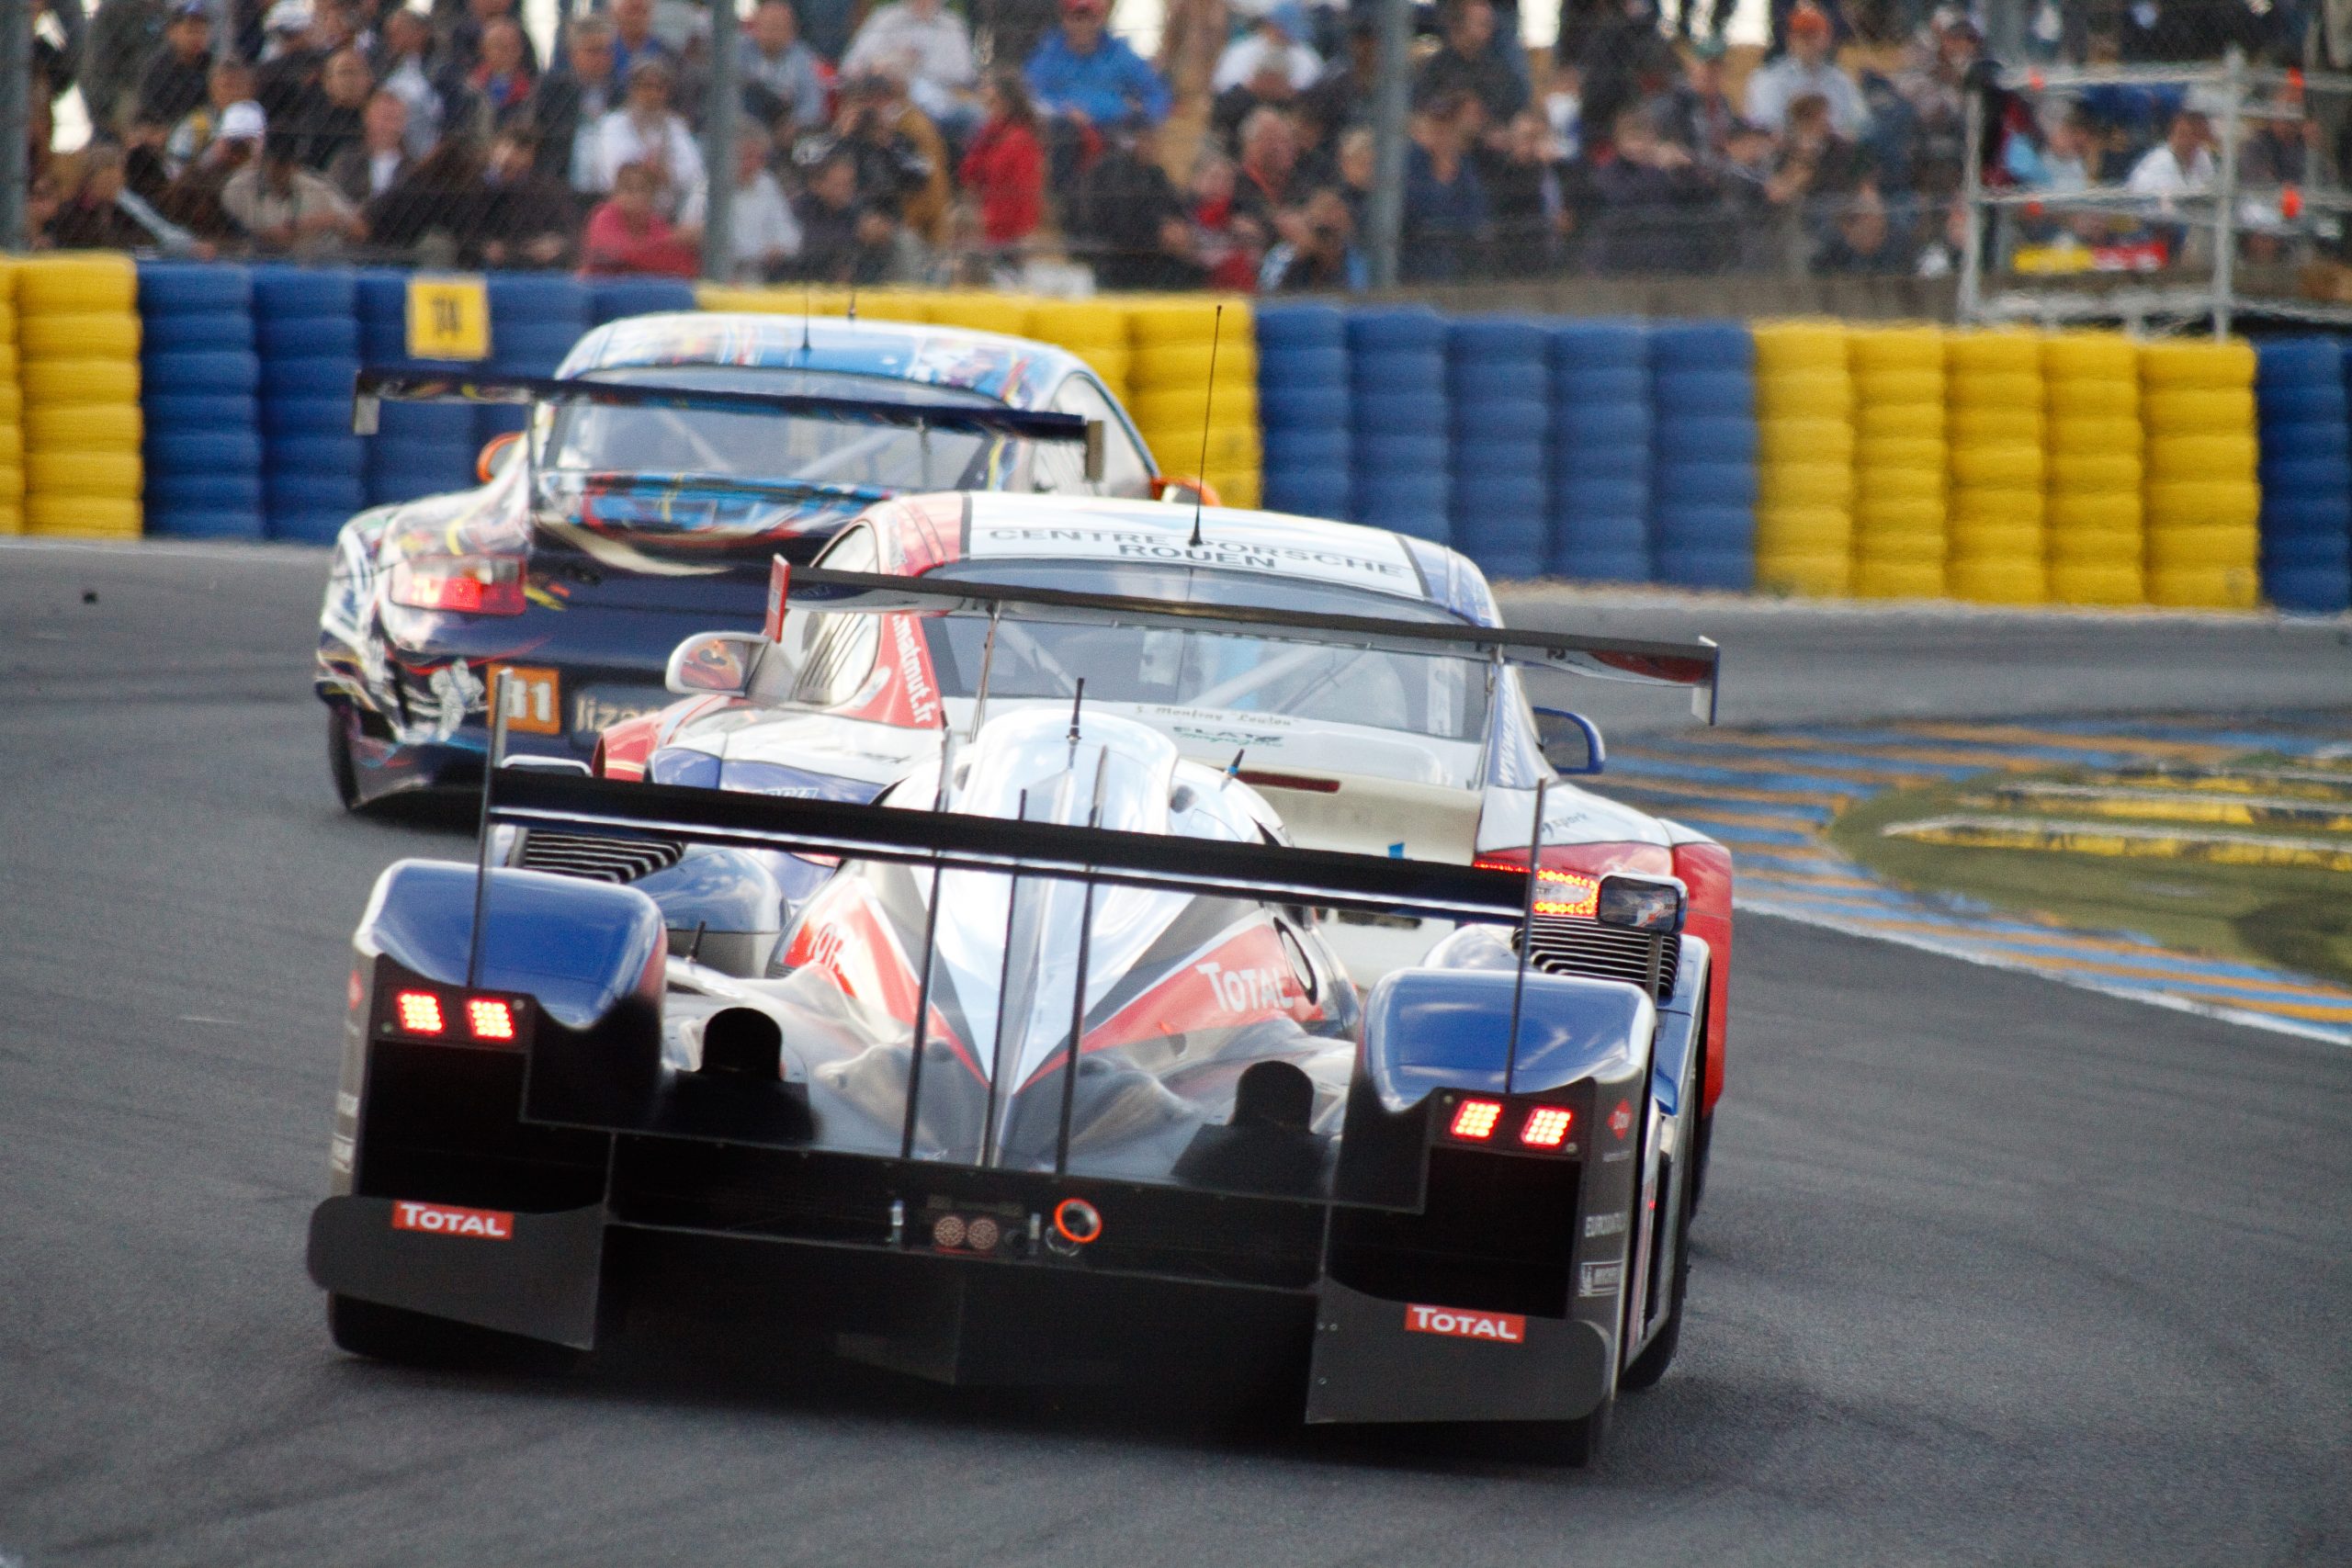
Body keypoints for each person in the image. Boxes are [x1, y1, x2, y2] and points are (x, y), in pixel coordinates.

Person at [1027, 0, 1171, 191]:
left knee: (1132, 148)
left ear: (1100, 20)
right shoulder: (1050, 53)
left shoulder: (1119, 53)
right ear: (1064, 19)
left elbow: (1156, 92)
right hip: (1068, 131)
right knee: (1064, 133)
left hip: (1116, 128)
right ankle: (1065, 200)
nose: (1083, 26)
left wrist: (1147, 115)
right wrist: (1063, 110)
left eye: (1091, 18)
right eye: (1076, 18)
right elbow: (1031, 93)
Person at [1069, 123, 1204, 288]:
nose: (1151, 146)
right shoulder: (1113, 171)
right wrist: (1159, 234)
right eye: (1145, 139)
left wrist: (1178, 228)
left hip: (1154, 253)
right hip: (1119, 255)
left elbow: (1174, 206)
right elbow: (1117, 221)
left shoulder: (1155, 173)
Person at [843, 0, 979, 138]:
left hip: (944, 99)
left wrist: (920, 65)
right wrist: (893, 62)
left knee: (977, 117)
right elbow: (851, 65)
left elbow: (965, 73)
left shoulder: (952, 24)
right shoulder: (886, 19)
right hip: (892, 97)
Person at [680, 129, 800, 281]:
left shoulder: (767, 184)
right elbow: (687, 231)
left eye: (759, 158)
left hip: (762, 274)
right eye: (746, 157)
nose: (752, 164)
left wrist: (777, 249)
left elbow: (790, 236)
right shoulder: (706, 185)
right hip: (717, 274)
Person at [223, 130, 368, 257]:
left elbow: (359, 230)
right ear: (261, 160)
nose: (278, 171)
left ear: (295, 165)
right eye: (273, 162)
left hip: (309, 267)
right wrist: (296, 227)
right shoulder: (238, 188)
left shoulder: (315, 187)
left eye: (285, 164)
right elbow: (274, 238)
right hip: (255, 263)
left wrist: (330, 220)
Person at [591, 58, 707, 214]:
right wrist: (656, 173)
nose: (653, 94)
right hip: (625, 211)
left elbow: (693, 172)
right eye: (646, 87)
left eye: (659, 88)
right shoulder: (614, 123)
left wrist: (661, 172)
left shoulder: (675, 125)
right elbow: (614, 172)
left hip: (672, 211)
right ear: (633, 90)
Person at [1744, 3, 1868, 139]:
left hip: (1834, 151)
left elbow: (1861, 123)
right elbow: (1765, 125)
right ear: (1790, 39)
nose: (1807, 43)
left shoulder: (1840, 80)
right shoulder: (1769, 77)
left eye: (1814, 36)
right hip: (1785, 152)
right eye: (1802, 36)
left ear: (1826, 39)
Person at [1400, 94, 1489, 281]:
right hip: (1415, 262)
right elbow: (1412, 211)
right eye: (1435, 124)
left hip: (1459, 263)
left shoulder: (1464, 165)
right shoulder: (1411, 163)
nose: (1441, 131)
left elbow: (1475, 215)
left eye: (1448, 125)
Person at [526, 15, 619, 187]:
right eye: (593, 51)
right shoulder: (552, 90)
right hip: (560, 182)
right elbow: (534, 132)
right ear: (573, 55)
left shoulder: (621, 93)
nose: (601, 58)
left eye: (606, 51)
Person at [957, 71, 1045, 254]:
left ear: (1007, 103)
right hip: (985, 225)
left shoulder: (1020, 140)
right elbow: (969, 175)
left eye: (992, 102)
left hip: (1007, 235)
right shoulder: (987, 135)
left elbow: (1024, 194)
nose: (987, 108)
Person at [474, 128, 579, 268]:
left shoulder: (547, 189)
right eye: (506, 147)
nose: (511, 156)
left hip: (534, 261)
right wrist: (482, 246)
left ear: (531, 157)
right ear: (493, 150)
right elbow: (460, 230)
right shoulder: (473, 185)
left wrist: (557, 244)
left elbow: (571, 229)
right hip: (482, 262)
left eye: (521, 151)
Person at [1413, 0, 1525, 129]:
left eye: (1487, 24)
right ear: (1458, 26)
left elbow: (1510, 109)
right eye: (1481, 24)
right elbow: (1422, 105)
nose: (1488, 30)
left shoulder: (1497, 69)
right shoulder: (1438, 67)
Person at [789, 148, 896, 282]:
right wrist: (853, 236)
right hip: (807, 280)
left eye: (850, 183)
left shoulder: (854, 207)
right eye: (838, 185)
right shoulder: (800, 209)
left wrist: (877, 232)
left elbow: (875, 226)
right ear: (818, 184)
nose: (846, 190)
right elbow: (803, 246)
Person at [581, 160, 699, 276]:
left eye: (642, 190)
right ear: (615, 194)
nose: (635, 197)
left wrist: (684, 242)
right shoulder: (605, 217)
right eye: (628, 189)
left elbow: (684, 265)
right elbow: (611, 252)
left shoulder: (655, 223)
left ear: (652, 196)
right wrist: (671, 240)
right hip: (599, 291)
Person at [740, 0, 831, 135]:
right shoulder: (739, 50)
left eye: (777, 27)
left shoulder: (803, 59)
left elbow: (813, 106)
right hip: (743, 128)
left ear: (792, 30)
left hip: (783, 129)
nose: (771, 33)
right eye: (767, 25)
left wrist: (795, 125)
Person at [376, 5, 455, 158]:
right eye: (390, 34)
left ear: (421, 32)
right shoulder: (386, 68)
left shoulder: (443, 70)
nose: (392, 39)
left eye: (399, 32)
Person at [84, 0, 171, 137]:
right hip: (123, 93)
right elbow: (97, 67)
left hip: (163, 94)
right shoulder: (115, 9)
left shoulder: (166, 11)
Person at [164, 59, 261, 174]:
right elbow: (173, 171)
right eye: (227, 86)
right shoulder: (196, 125)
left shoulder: (261, 123)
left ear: (251, 89)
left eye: (239, 86)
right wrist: (212, 157)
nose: (233, 93)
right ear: (212, 90)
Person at [1260, 184, 1362, 290]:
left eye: (1335, 209)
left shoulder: (1358, 259)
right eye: (1323, 210)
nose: (1329, 218)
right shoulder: (1282, 257)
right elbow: (1273, 298)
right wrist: (1299, 258)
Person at [135, 2, 218, 132]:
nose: (197, 37)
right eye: (190, 30)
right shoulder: (157, 69)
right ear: (171, 32)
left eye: (202, 31)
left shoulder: (212, 65)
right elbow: (148, 112)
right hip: (164, 130)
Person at [328, 86, 413, 203]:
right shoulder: (345, 163)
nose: (390, 126)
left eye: (396, 118)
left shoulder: (414, 169)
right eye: (385, 117)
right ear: (367, 118)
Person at [1213, 4, 1320, 96]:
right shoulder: (1240, 52)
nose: (1285, 37)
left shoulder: (1306, 56)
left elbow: (1313, 91)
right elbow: (1222, 86)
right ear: (1270, 25)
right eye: (1282, 29)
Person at [608, 0, 672, 85]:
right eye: (630, 11)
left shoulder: (668, 56)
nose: (636, 18)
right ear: (615, 14)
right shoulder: (603, 52)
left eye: (642, 11)